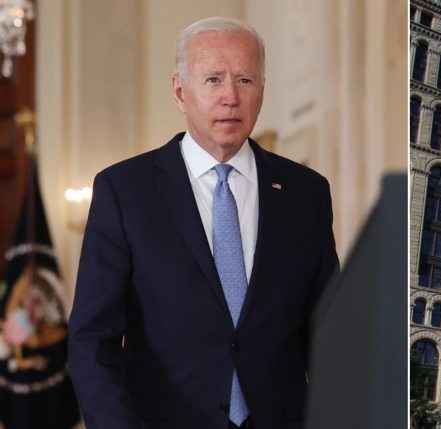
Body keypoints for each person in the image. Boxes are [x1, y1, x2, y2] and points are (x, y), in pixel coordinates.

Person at [68, 17, 338, 429]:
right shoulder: (125, 190)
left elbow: (330, 335)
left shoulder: (307, 193)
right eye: (213, 79)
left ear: (262, 90)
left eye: (245, 80)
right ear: (180, 92)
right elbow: (92, 339)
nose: (231, 96)